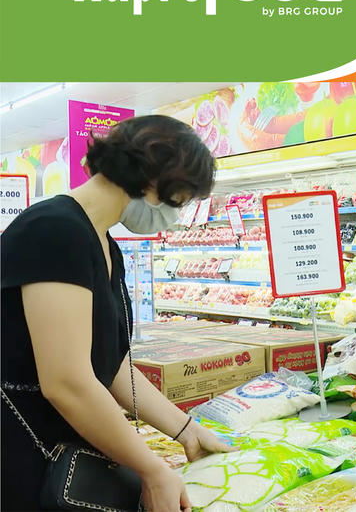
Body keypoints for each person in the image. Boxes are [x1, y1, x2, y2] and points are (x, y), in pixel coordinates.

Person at [1, 115, 234, 511]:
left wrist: (186, 430)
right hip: (22, 457)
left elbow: (110, 366)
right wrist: (151, 468)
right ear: (153, 181)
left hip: (59, 453)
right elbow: (67, 382)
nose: (176, 215)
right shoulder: (54, 231)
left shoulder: (101, 242)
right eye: (180, 200)